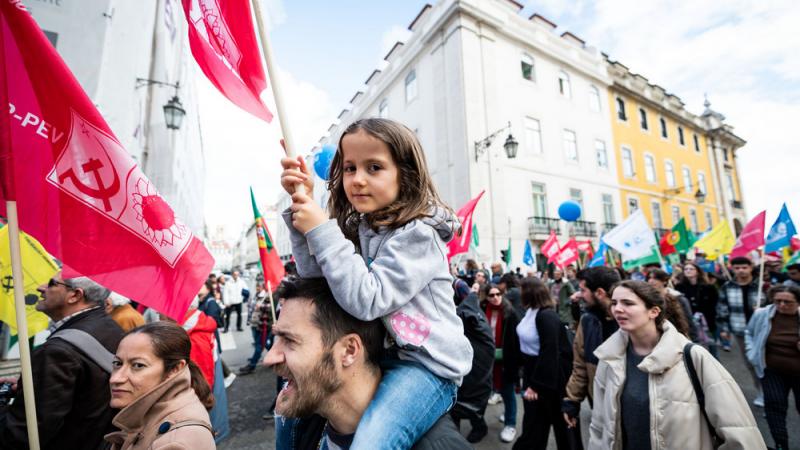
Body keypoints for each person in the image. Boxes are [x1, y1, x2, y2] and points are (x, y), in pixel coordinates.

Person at [280, 118, 472, 449]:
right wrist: (303, 208)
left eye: (374, 167)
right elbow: (317, 277)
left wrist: (322, 229)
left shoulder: (419, 233)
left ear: (405, 174)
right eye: (351, 168)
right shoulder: (363, 226)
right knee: (290, 414)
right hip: (378, 357)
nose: (358, 179)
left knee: (371, 442)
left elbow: (369, 299)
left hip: (426, 368)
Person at [267, 278, 470, 449]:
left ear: (349, 350)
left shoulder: (439, 445)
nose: (269, 358)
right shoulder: (303, 425)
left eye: (290, 340)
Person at [589, 280, 766, 449]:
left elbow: (737, 430)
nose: (617, 309)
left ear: (653, 311)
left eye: (628, 303)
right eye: (614, 303)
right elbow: (600, 425)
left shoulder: (692, 356)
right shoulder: (609, 358)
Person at [0, 274, 124, 450]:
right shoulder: (111, 328)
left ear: (75, 295)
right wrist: (28, 385)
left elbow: (24, 433)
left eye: (51, 283)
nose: (41, 287)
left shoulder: (57, 351)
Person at [104, 322, 215, 449]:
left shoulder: (177, 442)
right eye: (117, 363)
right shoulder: (151, 411)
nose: (115, 378)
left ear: (175, 369)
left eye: (138, 365)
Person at [513, 277, 572, 450]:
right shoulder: (531, 311)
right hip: (534, 373)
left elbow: (550, 352)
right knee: (534, 427)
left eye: (522, 290)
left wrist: (536, 386)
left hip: (549, 379)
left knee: (561, 427)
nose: (519, 294)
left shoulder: (547, 316)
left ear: (530, 293)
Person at [561, 266, 621, 432]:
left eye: (583, 290)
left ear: (600, 293)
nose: (580, 295)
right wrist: (572, 400)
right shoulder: (587, 321)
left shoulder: (633, 319)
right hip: (600, 408)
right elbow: (580, 365)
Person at [745, 285, 800, 450]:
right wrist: (751, 353)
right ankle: (781, 444)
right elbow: (749, 333)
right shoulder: (762, 314)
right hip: (771, 371)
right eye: (778, 301)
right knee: (774, 407)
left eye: (788, 302)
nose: (782, 305)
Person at [450, 278, 494, 443]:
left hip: (475, 366)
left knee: (471, 400)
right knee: (456, 404)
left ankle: (479, 428)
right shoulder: (468, 309)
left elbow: (485, 343)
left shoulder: (469, 313)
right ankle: (454, 436)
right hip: (461, 363)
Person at [718, 256, 764, 403]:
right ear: (732, 269)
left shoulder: (762, 285)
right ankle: (761, 391)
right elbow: (722, 309)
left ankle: (772, 392)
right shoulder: (727, 286)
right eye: (737, 268)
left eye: (744, 267)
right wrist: (724, 329)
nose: (741, 271)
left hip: (763, 329)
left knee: (766, 361)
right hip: (741, 330)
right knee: (750, 362)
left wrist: (762, 309)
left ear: (751, 267)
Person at [483, 283, 521, 443]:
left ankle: (510, 423)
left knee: (508, 392)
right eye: (491, 295)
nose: (496, 297)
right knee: (491, 390)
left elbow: (516, 341)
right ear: (486, 297)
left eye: (498, 294)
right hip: (487, 360)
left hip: (507, 361)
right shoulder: (482, 311)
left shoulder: (510, 313)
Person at [675, 261, 720, 356]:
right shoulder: (679, 287)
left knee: (712, 349)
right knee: (696, 350)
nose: (688, 271)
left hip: (708, 322)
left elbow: (715, 303)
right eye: (686, 269)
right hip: (689, 323)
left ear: (697, 271)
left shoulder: (709, 287)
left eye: (691, 269)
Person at [646, 269, 694, 340]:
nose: (651, 281)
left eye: (655, 278)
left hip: (678, 337)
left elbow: (689, 321)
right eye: (649, 278)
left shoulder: (678, 298)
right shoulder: (646, 300)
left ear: (664, 281)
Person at [238, 282, 275, 375]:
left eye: (260, 286)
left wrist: (260, 306)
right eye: (257, 286)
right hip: (257, 324)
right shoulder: (257, 295)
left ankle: (252, 365)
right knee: (262, 344)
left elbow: (271, 309)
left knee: (259, 346)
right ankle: (274, 357)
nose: (258, 287)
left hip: (265, 326)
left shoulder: (269, 296)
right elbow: (251, 308)